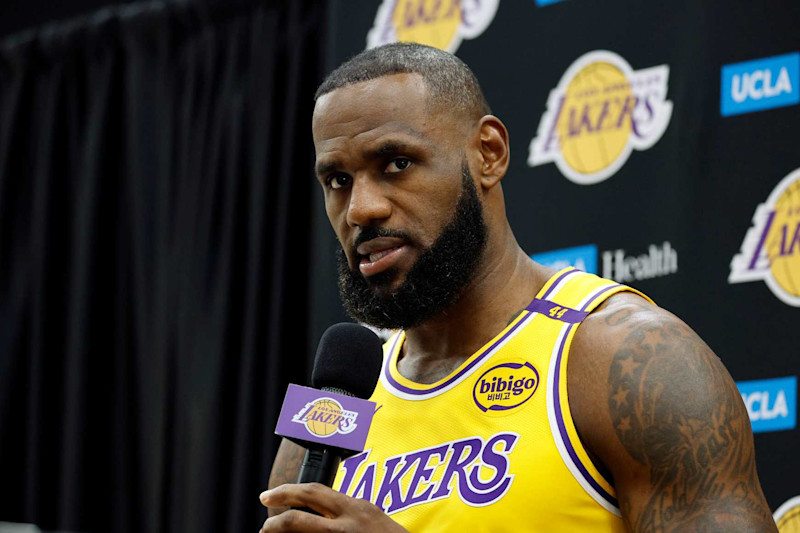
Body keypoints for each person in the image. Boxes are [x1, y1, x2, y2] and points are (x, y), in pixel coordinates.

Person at [259, 42, 778, 532]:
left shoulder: (626, 362)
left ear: (488, 153)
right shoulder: (329, 415)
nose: (362, 209)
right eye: (338, 181)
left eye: (397, 164)